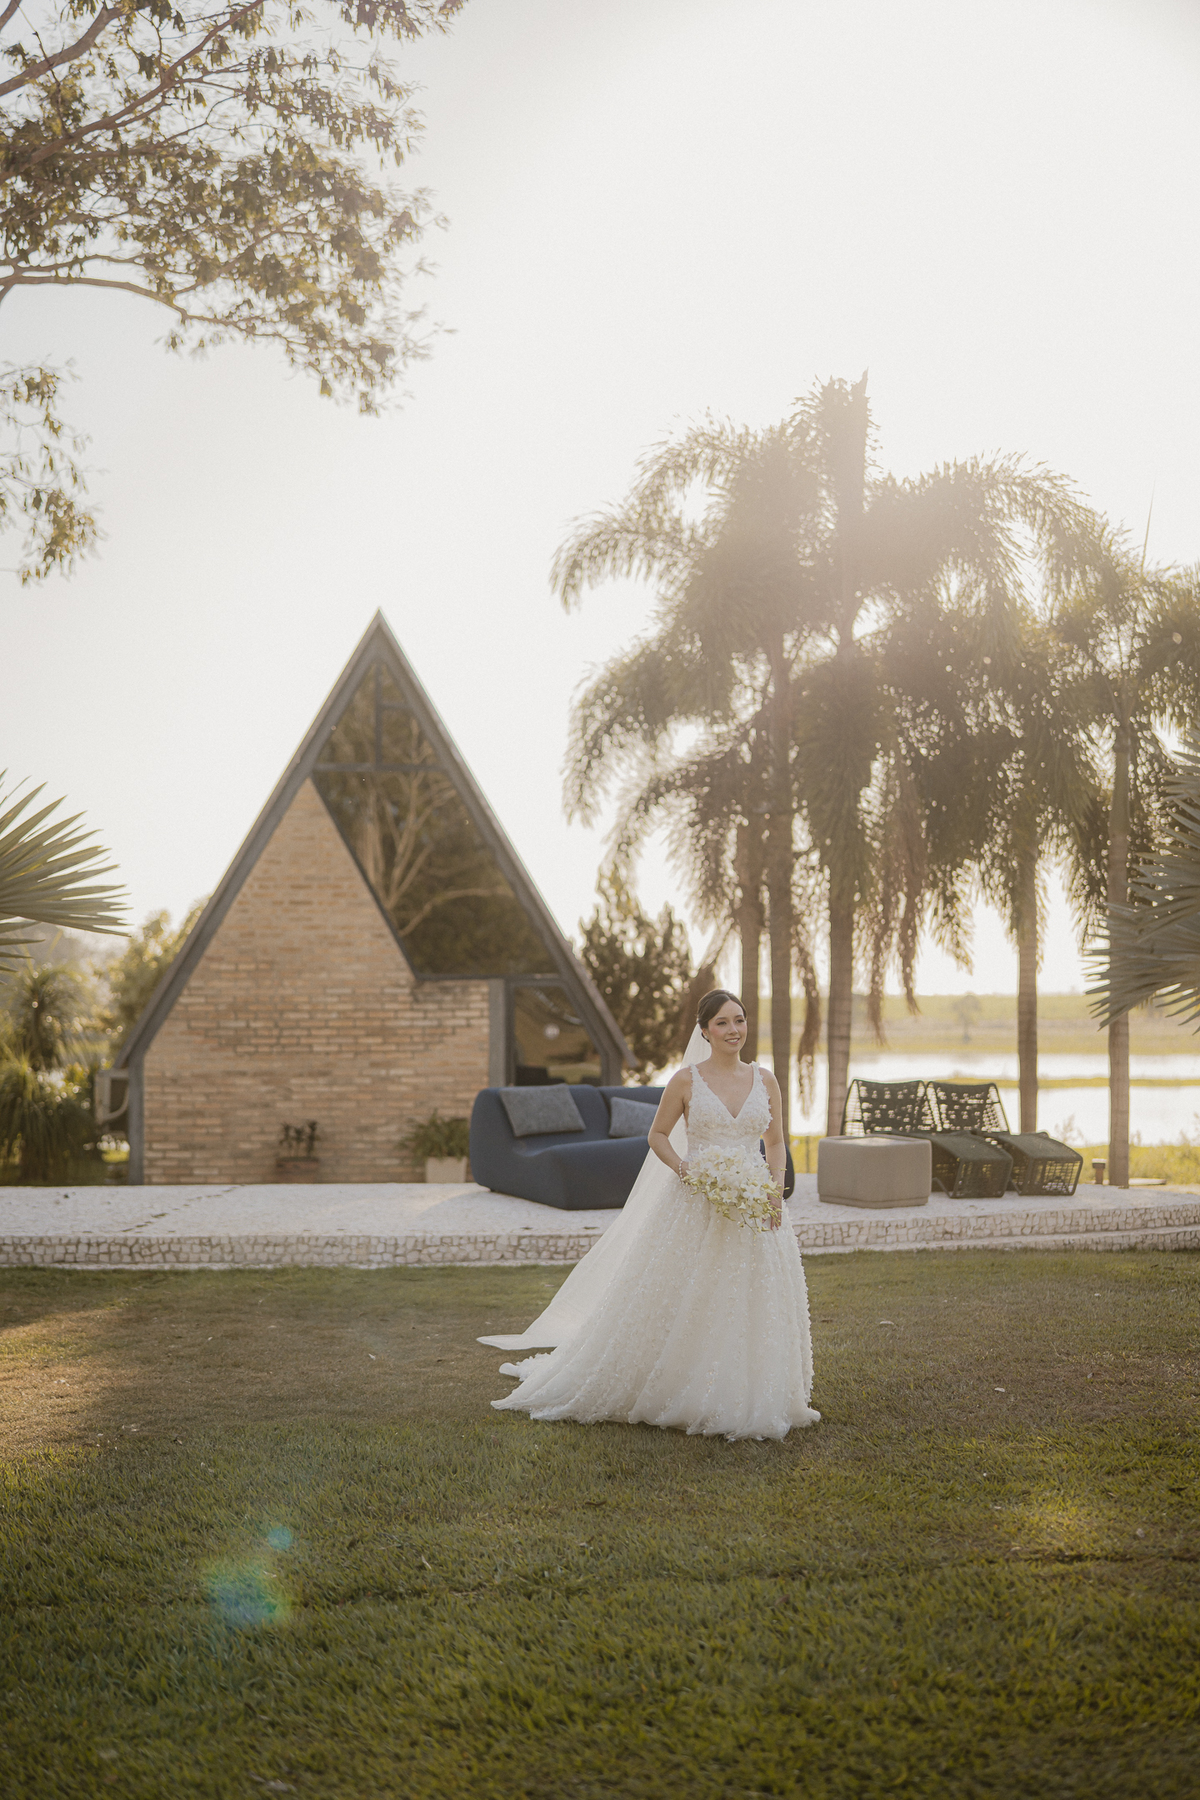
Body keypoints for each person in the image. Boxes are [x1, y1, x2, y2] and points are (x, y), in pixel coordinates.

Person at [479, 989, 819, 1441]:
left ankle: (751, 1388)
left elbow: (774, 1143)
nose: (733, 1030)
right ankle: (678, 1383)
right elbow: (657, 1136)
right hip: (695, 1202)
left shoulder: (766, 1080)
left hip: (756, 1204)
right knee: (686, 1294)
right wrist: (686, 1169)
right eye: (721, 1022)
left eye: (739, 1020)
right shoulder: (686, 1081)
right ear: (704, 1031)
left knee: (753, 1295)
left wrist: (775, 1192)